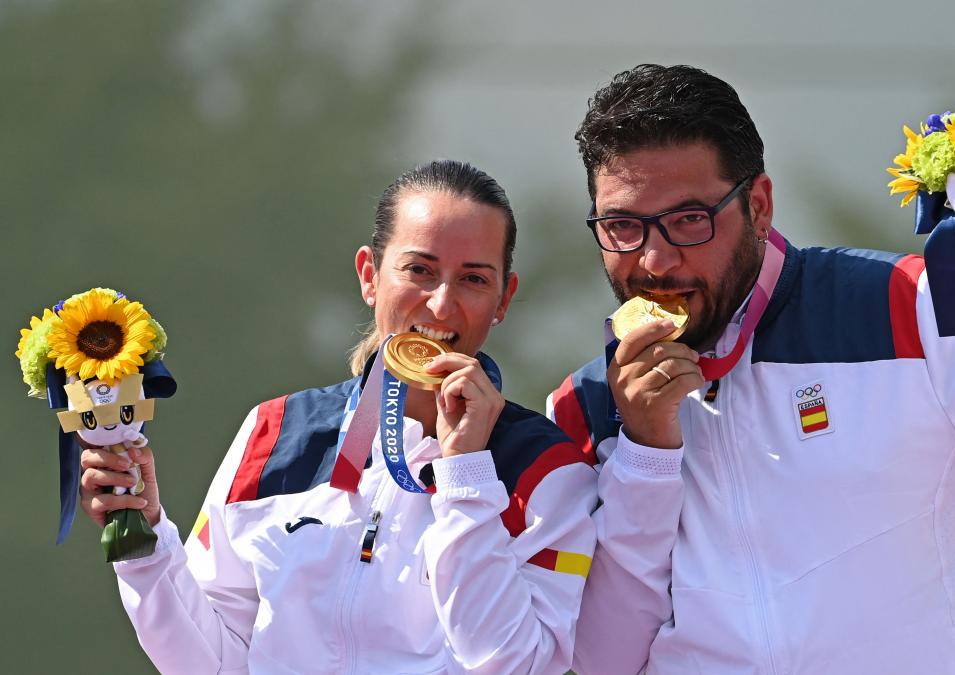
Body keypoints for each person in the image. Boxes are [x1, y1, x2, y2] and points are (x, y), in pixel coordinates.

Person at [549, 64, 955, 674]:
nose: (655, 260)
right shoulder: (587, 405)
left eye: (688, 220)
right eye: (623, 227)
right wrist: (646, 455)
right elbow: (603, 660)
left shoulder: (912, 306)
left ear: (758, 206)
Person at [79, 160, 598, 674]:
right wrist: (146, 544)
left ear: (503, 299)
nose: (441, 306)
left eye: (473, 279)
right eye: (419, 270)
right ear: (370, 277)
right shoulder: (275, 430)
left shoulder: (550, 471)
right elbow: (212, 661)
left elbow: (516, 664)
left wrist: (466, 477)